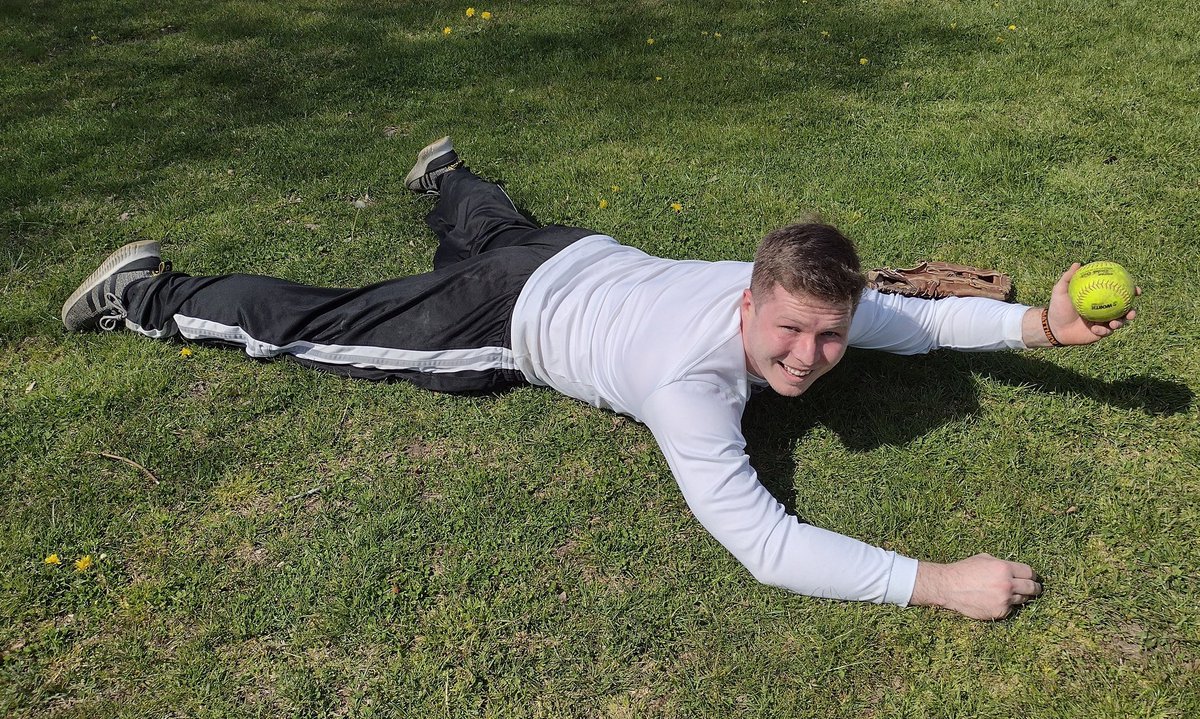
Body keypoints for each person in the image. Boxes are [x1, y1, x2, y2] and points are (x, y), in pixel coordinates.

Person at [61, 137, 1137, 620]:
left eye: (831, 336)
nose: (811, 356)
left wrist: (1040, 326)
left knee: (497, 228)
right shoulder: (690, 384)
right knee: (326, 324)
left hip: (576, 251)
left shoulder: (809, 294)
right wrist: (941, 580)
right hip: (506, 314)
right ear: (749, 301)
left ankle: (449, 178)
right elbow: (764, 545)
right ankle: (147, 296)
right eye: (793, 333)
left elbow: (929, 321)